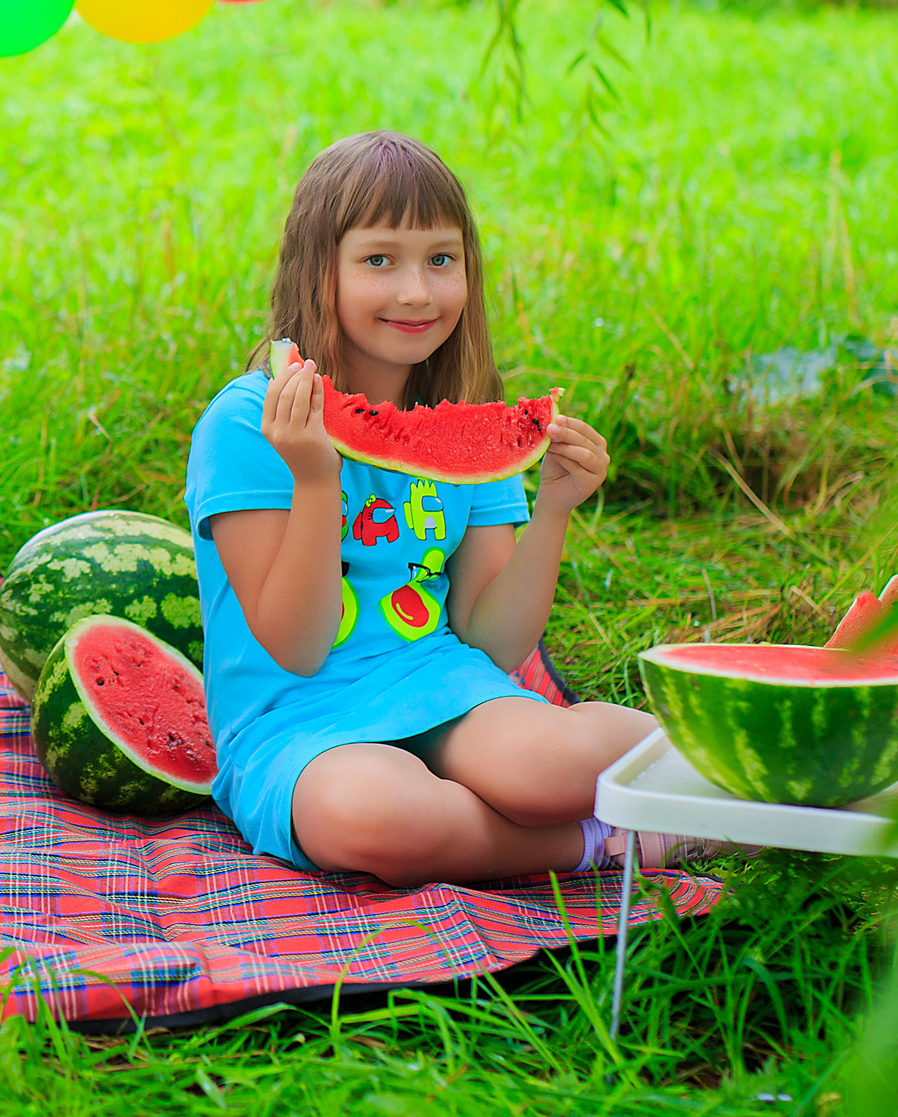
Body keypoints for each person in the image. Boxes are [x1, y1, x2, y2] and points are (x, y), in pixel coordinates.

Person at [184, 131, 708, 884]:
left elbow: (490, 640)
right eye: (378, 260)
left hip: (440, 678)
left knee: (549, 767)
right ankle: (622, 840)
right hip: (295, 721)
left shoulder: (467, 420)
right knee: (374, 815)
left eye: (441, 258)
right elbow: (296, 647)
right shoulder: (245, 427)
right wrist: (314, 480)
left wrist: (555, 507)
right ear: (315, 270)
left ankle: (794, 765)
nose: (417, 292)